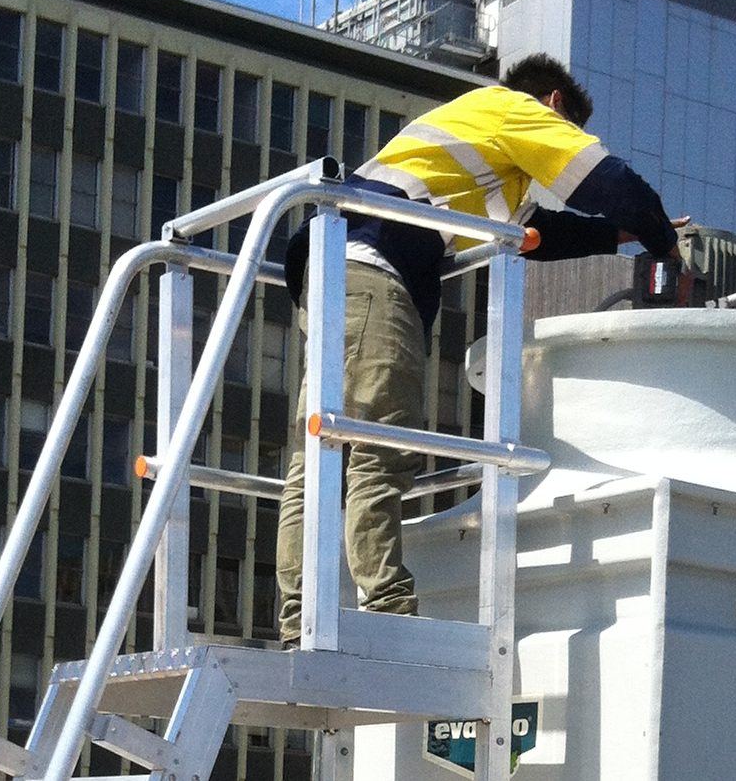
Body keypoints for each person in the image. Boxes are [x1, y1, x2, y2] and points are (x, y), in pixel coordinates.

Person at [274, 53, 686, 644]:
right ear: (554, 106)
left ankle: (298, 620)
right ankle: (387, 614)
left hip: (334, 266)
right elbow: (610, 181)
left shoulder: (479, 160)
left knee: (319, 454)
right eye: (566, 128)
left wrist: (621, 233)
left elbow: (536, 235)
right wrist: (664, 240)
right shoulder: (513, 109)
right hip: (372, 269)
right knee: (378, 443)